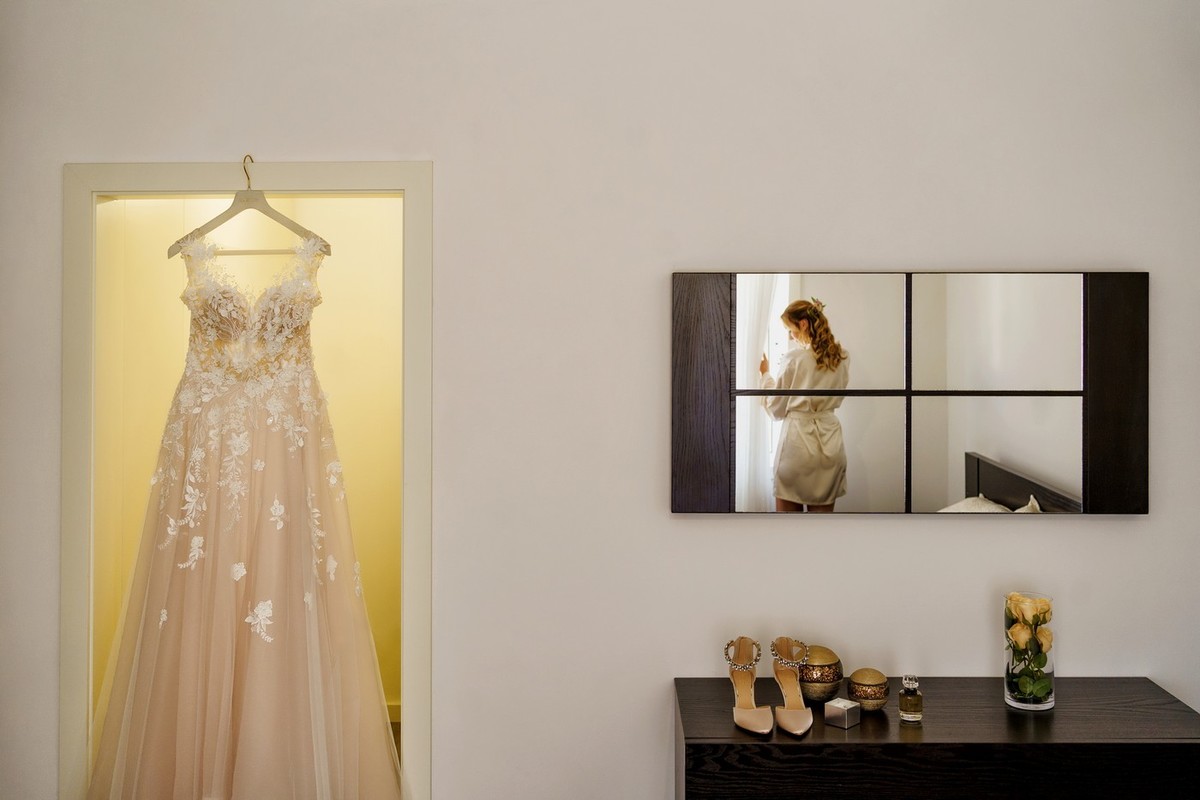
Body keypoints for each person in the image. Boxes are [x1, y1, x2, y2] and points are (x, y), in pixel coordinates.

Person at [758, 298, 849, 513]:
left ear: (803, 324)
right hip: (830, 446)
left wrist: (765, 375)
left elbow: (776, 407)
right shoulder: (842, 357)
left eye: (790, 329)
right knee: (821, 528)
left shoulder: (794, 358)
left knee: (789, 529)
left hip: (797, 447)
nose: (791, 336)